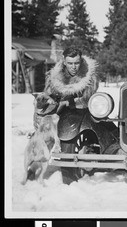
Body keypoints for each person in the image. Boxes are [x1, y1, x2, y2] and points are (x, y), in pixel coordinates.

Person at [35, 46, 99, 184]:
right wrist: (46, 102)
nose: (74, 67)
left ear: (80, 61)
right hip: (57, 113)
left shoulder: (89, 76)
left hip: (80, 114)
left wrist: (69, 102)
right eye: (70, 63)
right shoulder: (55, 77)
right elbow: (47, 95)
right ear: (64, 61)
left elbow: (89, 98)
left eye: (76, 63)